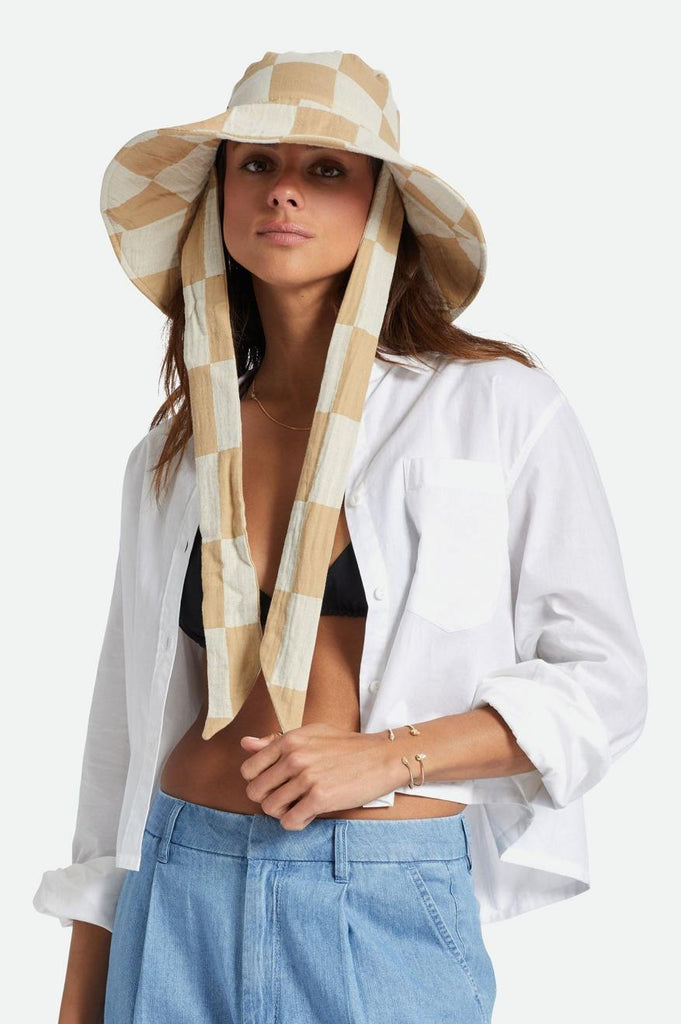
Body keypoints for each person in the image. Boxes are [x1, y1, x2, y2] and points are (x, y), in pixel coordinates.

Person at [34, 50, 648, 1024]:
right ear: (220, 196)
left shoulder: (493, 409)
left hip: (380, 899)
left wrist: (392, 756)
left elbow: (604, 681)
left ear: (380, 204)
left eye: (325, 169)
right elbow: (119, 740)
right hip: (177, 886)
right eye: (255, 164)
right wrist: (78, 1000)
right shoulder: (174, 452)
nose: (283, 192)